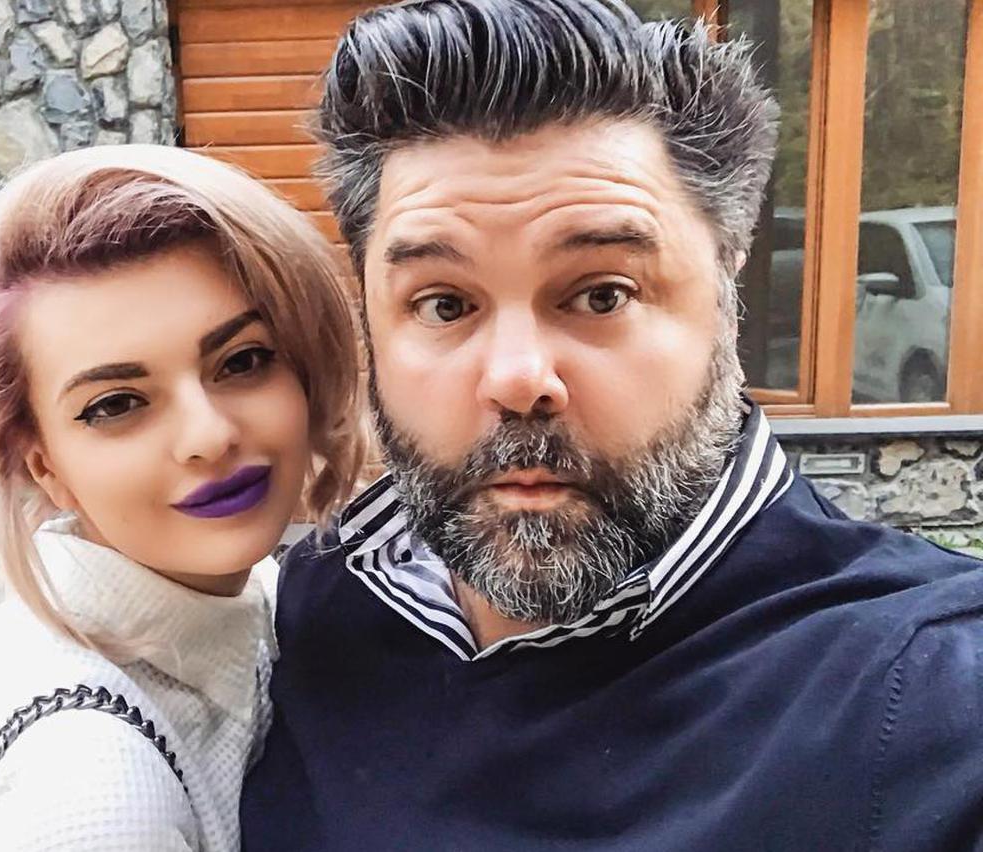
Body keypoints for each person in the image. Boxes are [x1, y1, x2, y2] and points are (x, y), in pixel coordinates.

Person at [240, 1, 983, 849]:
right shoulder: (312, 608)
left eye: (602, 294)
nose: (517, 379)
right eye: (444, 304)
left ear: (729, 292)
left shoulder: (925, 695)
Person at [0, 145, 364, 851]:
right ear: (45, 467)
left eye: (242, 361)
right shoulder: (95, 790)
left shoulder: (250, 596)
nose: (209, 435)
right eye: (117, 404)